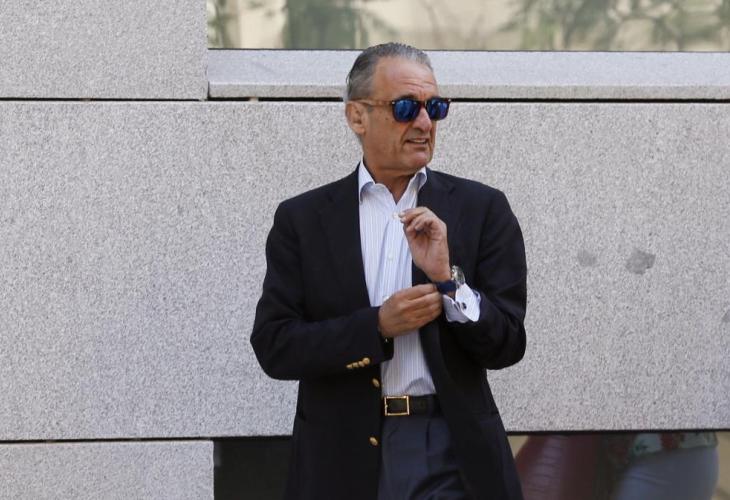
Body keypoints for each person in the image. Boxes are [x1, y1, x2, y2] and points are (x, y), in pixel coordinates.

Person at [251, 42, 527, 500]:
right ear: (357, 116)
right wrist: (376, 327)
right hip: (339, 453)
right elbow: (275, 346)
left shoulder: (482, 209)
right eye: (405, 108)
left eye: (434, 108)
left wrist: (449, 282)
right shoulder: (303, 219)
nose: (424, 123)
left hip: (449, 447)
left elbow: (508, 345)